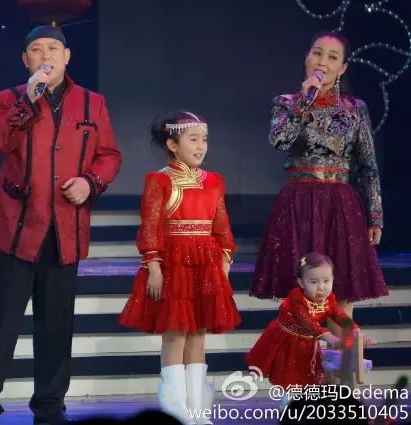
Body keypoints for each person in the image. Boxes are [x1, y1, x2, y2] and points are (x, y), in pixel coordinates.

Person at [0, 24, 122, 425]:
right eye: (36, 49)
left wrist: (90, 183)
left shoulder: (93, 103)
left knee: (56, 326)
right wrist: (29, 98)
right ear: (26, 60)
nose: (45, 55)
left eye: (53, 48)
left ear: (67, 56)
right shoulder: (6, 99)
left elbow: (109, 155)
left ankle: (50, 408)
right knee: (1, 323)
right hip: (15, 228)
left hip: (64, 228)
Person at [250, 32, 388, 335]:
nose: (322, 62)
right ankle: (303, 362)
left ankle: (345, 362)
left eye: (332, 57)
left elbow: (367, 166)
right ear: (306, 58)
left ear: (343, 68)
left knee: (342, 296)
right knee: (299, 295)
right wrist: (304, 101)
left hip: (341, 206)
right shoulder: (286, 103)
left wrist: (375, 214)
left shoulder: (355, 109)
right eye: (317, 53)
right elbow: (279, 139)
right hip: (298, 204)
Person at [119, 111, 240, 424]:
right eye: (193, 139)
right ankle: (175, 410)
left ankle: (198, 410)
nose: (201, 146)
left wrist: (224, 262)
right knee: (175, 335)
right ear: (172, 144)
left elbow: (221, 225)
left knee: (198, 334)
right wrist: (154, 267)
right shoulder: (160, 180)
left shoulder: (213, 181)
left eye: (204, 140)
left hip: (206, 263)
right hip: (174, 264)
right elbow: (150, 227)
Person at [246, 252, 372, 390]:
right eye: (314, 282)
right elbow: (307, 322)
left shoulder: (329, 299)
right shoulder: (296, 299)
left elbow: (339, 315)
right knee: (289, 376)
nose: (321, 287)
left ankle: (307, 399)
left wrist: (355, 329)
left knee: (310, 374)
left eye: (326, 281)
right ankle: (289, 400)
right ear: (301, 282)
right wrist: (329, 337)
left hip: (309, 341)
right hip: (287, 340)